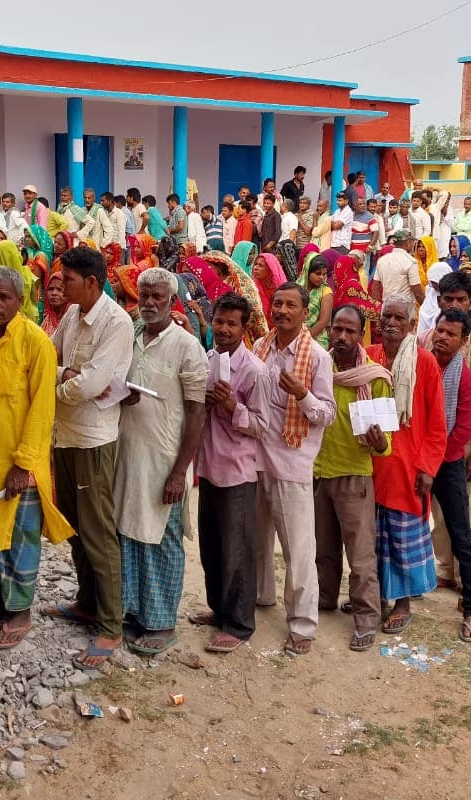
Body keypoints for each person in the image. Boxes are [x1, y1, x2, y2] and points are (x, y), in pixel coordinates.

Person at [0, 267, 73, 649]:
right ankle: (2, 598)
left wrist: (24, 462)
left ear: (19, 300)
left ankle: (21, 612)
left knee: (21, 536)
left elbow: (43, 409)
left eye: (4, 298)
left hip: (17, 461)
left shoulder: (35, 342)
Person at [45, 245, 135, 668]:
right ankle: (85, 603)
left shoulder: (116, 323)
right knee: (75, 526)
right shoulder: (72, 315)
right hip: (65, 435)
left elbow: (94, 382)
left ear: (92, 282)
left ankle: (111, 626)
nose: (61, 286)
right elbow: (50, 355)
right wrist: (66, 377)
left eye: (69, 279)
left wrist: (58, 388)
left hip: (93, 439)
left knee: (98, 532)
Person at [112, 268, 208, 655]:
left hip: (166, 461)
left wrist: (179, 471)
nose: (150, 303)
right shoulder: (131, 336)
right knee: (129, 535)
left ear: (171, 301)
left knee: (162, 541)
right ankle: (134, 613)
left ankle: (163, 623)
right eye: (145, 296)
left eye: (158, 297)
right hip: (128, 455)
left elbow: (197, 412)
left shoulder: (187, 346)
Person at [253, 283, 336, 656]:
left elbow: (327, 414)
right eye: (278, 303)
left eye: (291, 305)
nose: (282, 310)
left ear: (306, 314)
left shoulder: (316, 356)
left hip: (292, 463)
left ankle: (302, 625)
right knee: (254, 540)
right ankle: (260, 596)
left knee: (299, 550)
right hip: (255, 458)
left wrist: (302, 394)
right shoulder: (260, 348)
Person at [190, 293, 269, 653]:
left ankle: (238, 623)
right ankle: (219, 610)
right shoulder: (208, 359)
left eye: (231, 324)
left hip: (237, 472)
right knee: (212, 545)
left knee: (237, 550)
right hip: (208, 466)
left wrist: (230, 405)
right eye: (218, 321)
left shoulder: (254, 369)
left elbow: (263, 425)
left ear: (243, 328)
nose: (222, 329)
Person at [365, 295, 446, 634]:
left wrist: (427, 469)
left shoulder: (425, 363)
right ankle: (374, 597)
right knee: (369, 537)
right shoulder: (369, 357)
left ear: (412, 325)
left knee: (400, 537)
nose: (391, 323)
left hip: (408, 465)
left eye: (399, 318)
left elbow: (437, 425)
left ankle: (403, 602)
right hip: (370, 463)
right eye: (387, 316)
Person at [312, 304, 391, 650]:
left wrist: (379, 442)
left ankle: (366, 618)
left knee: (360, 556)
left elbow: (386, 443)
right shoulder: (317, 366)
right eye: (337, 329)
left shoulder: (375, 379)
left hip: (355, 475)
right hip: (317, 470)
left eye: (350, 331)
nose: (342, 337)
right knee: (323, 549)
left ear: (362, 335)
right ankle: (325, 599)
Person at [418, 270, 471, 593]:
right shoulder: (426, 339)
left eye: (461, 300)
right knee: (438, 516)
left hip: (467, 443)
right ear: (439, 301)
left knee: (465, 519)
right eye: (448, 299)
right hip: (430, 444)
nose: (455, 304)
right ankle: (445, 571)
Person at [427, 309, 471, 640]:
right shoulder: (420, 364)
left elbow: (463, 430)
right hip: (418, 460)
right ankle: (393, 597)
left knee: (461, 534)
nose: (443, 337)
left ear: (464, 341)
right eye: (440, 330)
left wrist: (433, 462)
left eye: (451, 334)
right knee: (402, 529)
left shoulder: (465, 380)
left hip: (447, 464)